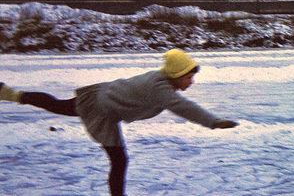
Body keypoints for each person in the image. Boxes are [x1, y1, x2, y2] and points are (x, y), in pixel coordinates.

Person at [0, 49, 238, 196]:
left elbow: (178, 102)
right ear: (176, 75)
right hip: (101, 109)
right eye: (189, 77)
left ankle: (10, 94)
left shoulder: (161, 79)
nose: (191, 82)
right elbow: (184, 107)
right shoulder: (160, 89)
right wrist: (213, 122)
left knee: (58, 105)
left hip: (104, 97)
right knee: (119, 159)